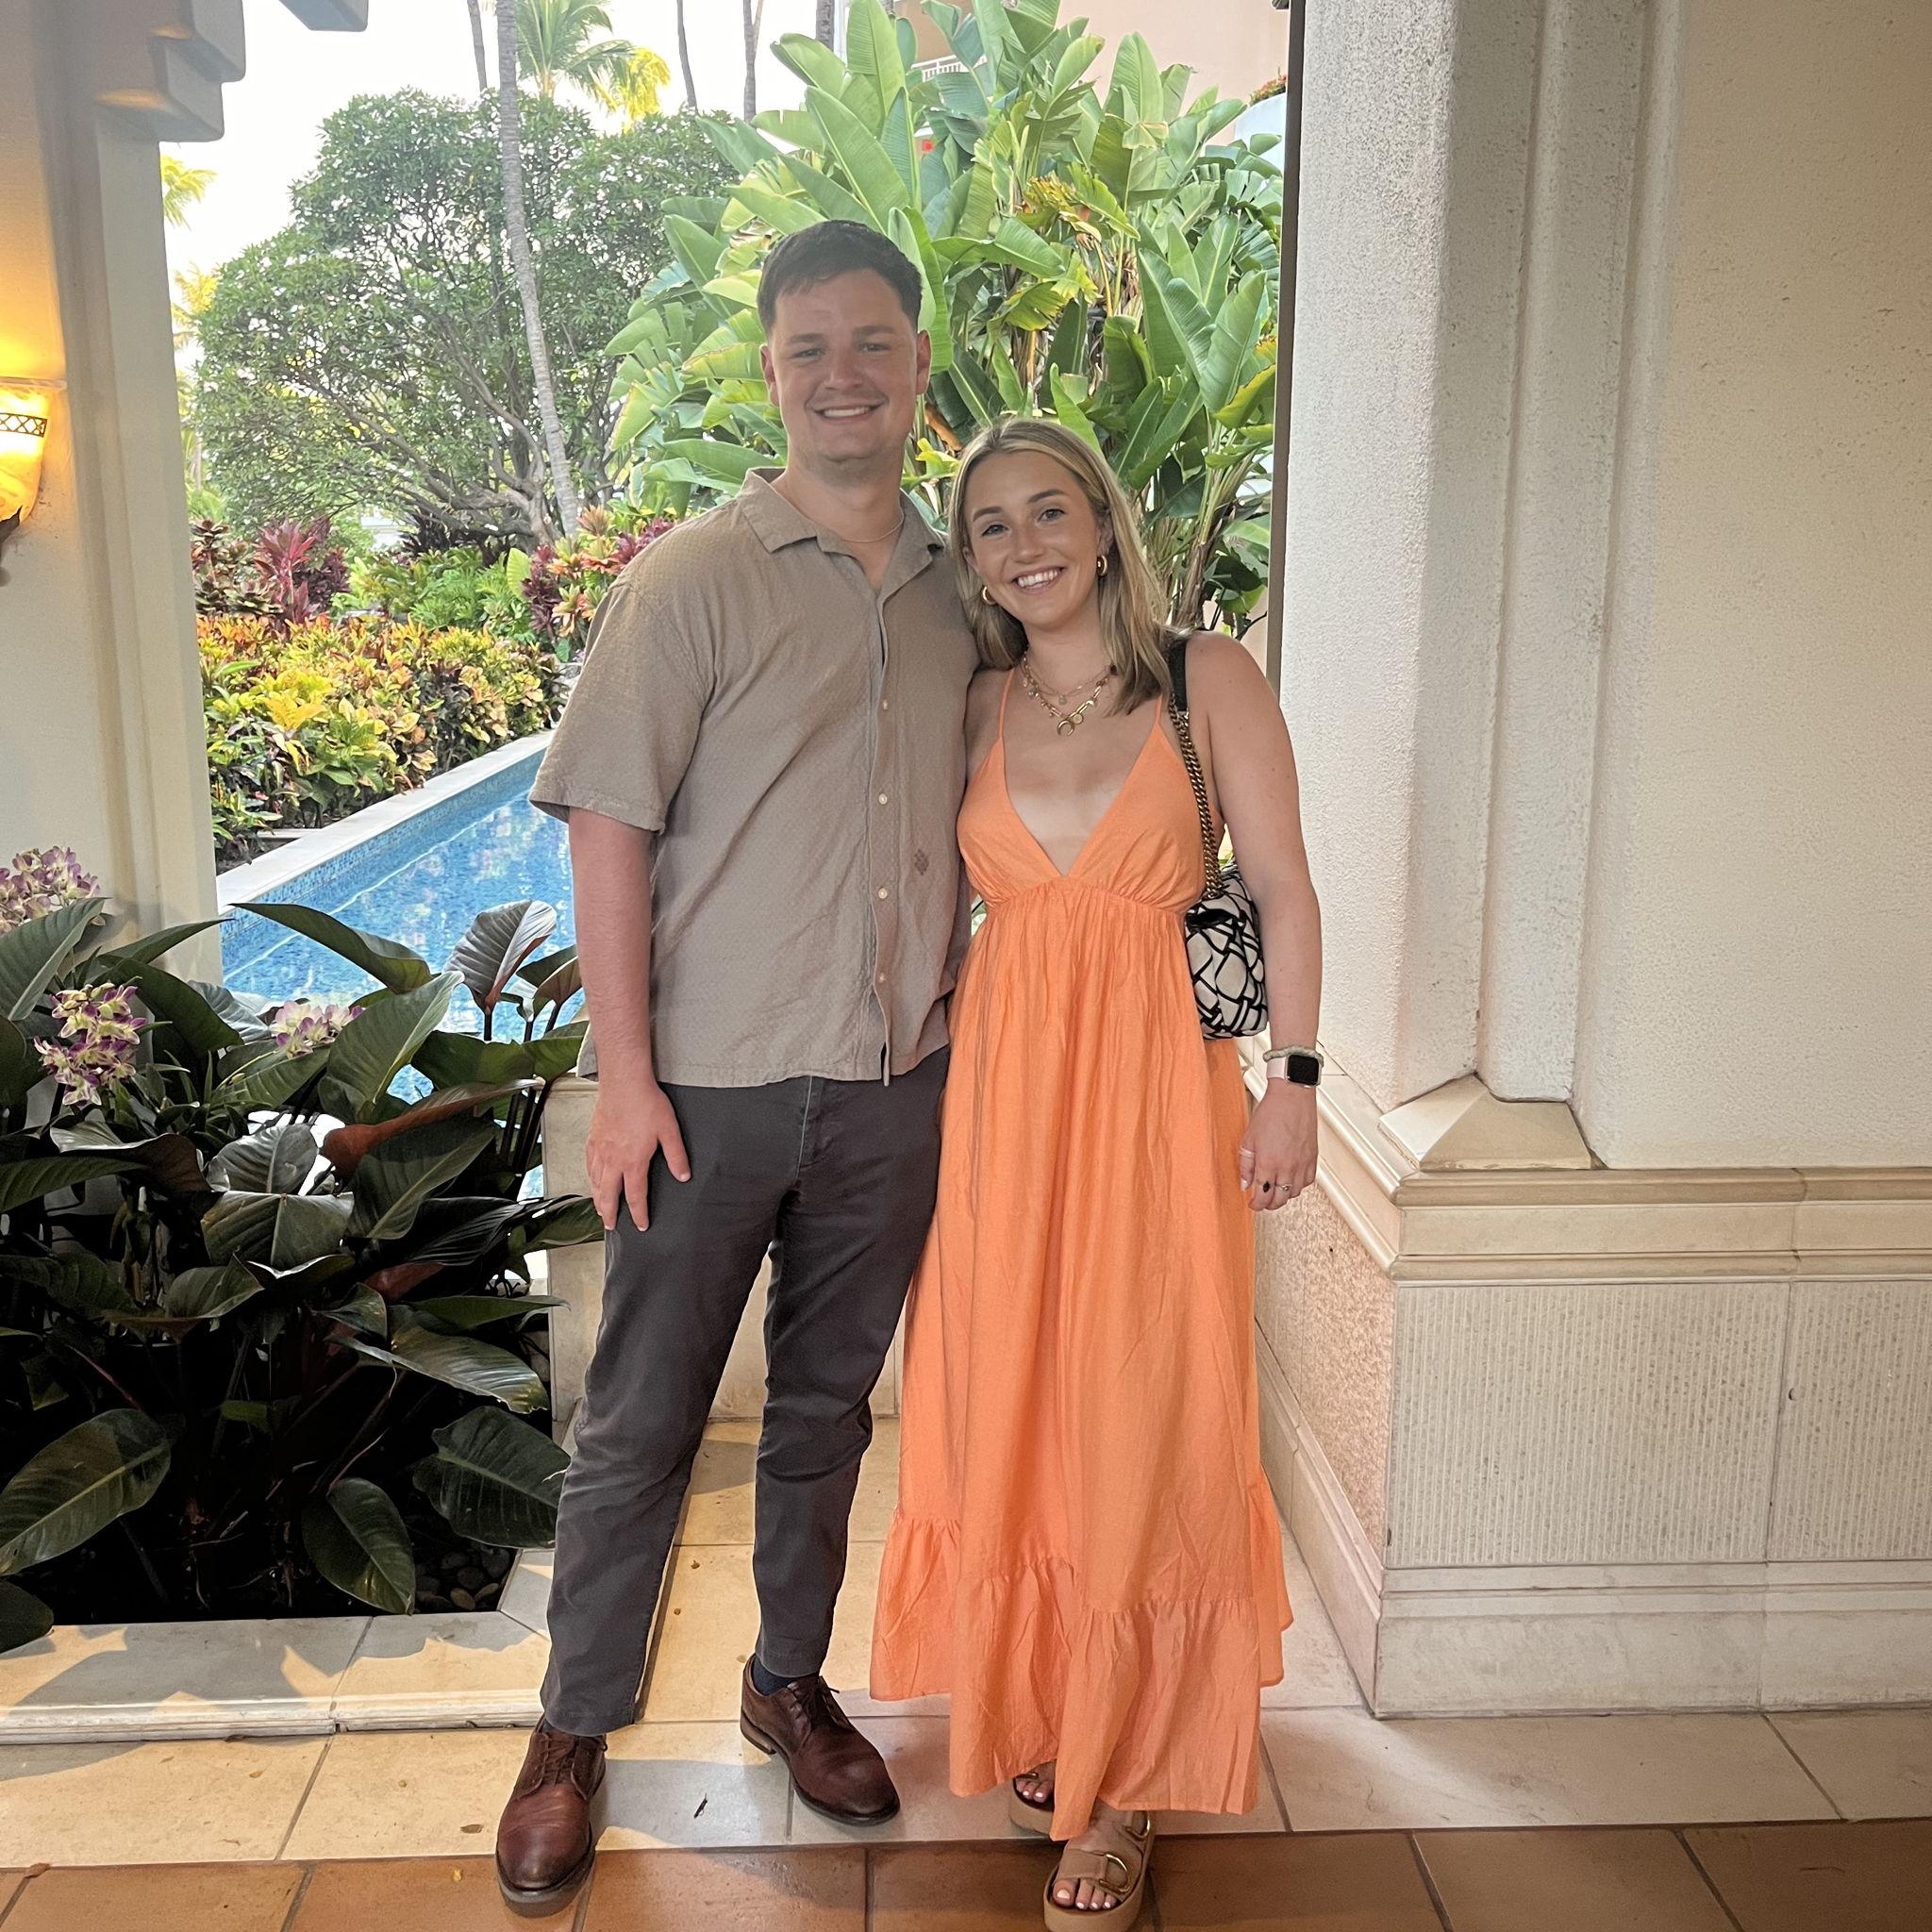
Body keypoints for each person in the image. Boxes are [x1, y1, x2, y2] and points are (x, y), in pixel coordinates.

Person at [494, 220, 980, 1916]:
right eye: (808, 349)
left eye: (872, 343)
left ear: (917, 363)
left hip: (895, 1087)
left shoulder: (965, 596)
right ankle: (572, 1729)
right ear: (772, 373)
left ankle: (785, 1682)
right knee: (640, 1424)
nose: (843, 376)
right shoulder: (690, 579)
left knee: (828, 1415)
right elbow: (608, 831)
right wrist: (624, 1081)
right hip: (703, 1095)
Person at [869, 418, 1323, 1928]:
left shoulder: (1207, 680)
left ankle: (1126, 1781)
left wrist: (1296, 1086)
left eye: (1048, 510)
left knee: (1144, 1398)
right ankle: (1059, 1702)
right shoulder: (977, 701)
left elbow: (1284, 886)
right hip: (1004, 1102)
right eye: (991, 525)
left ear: (1105, 520)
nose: (1024, 545)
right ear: (973, 560)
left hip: (1155, 1099)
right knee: (1019, 1396)